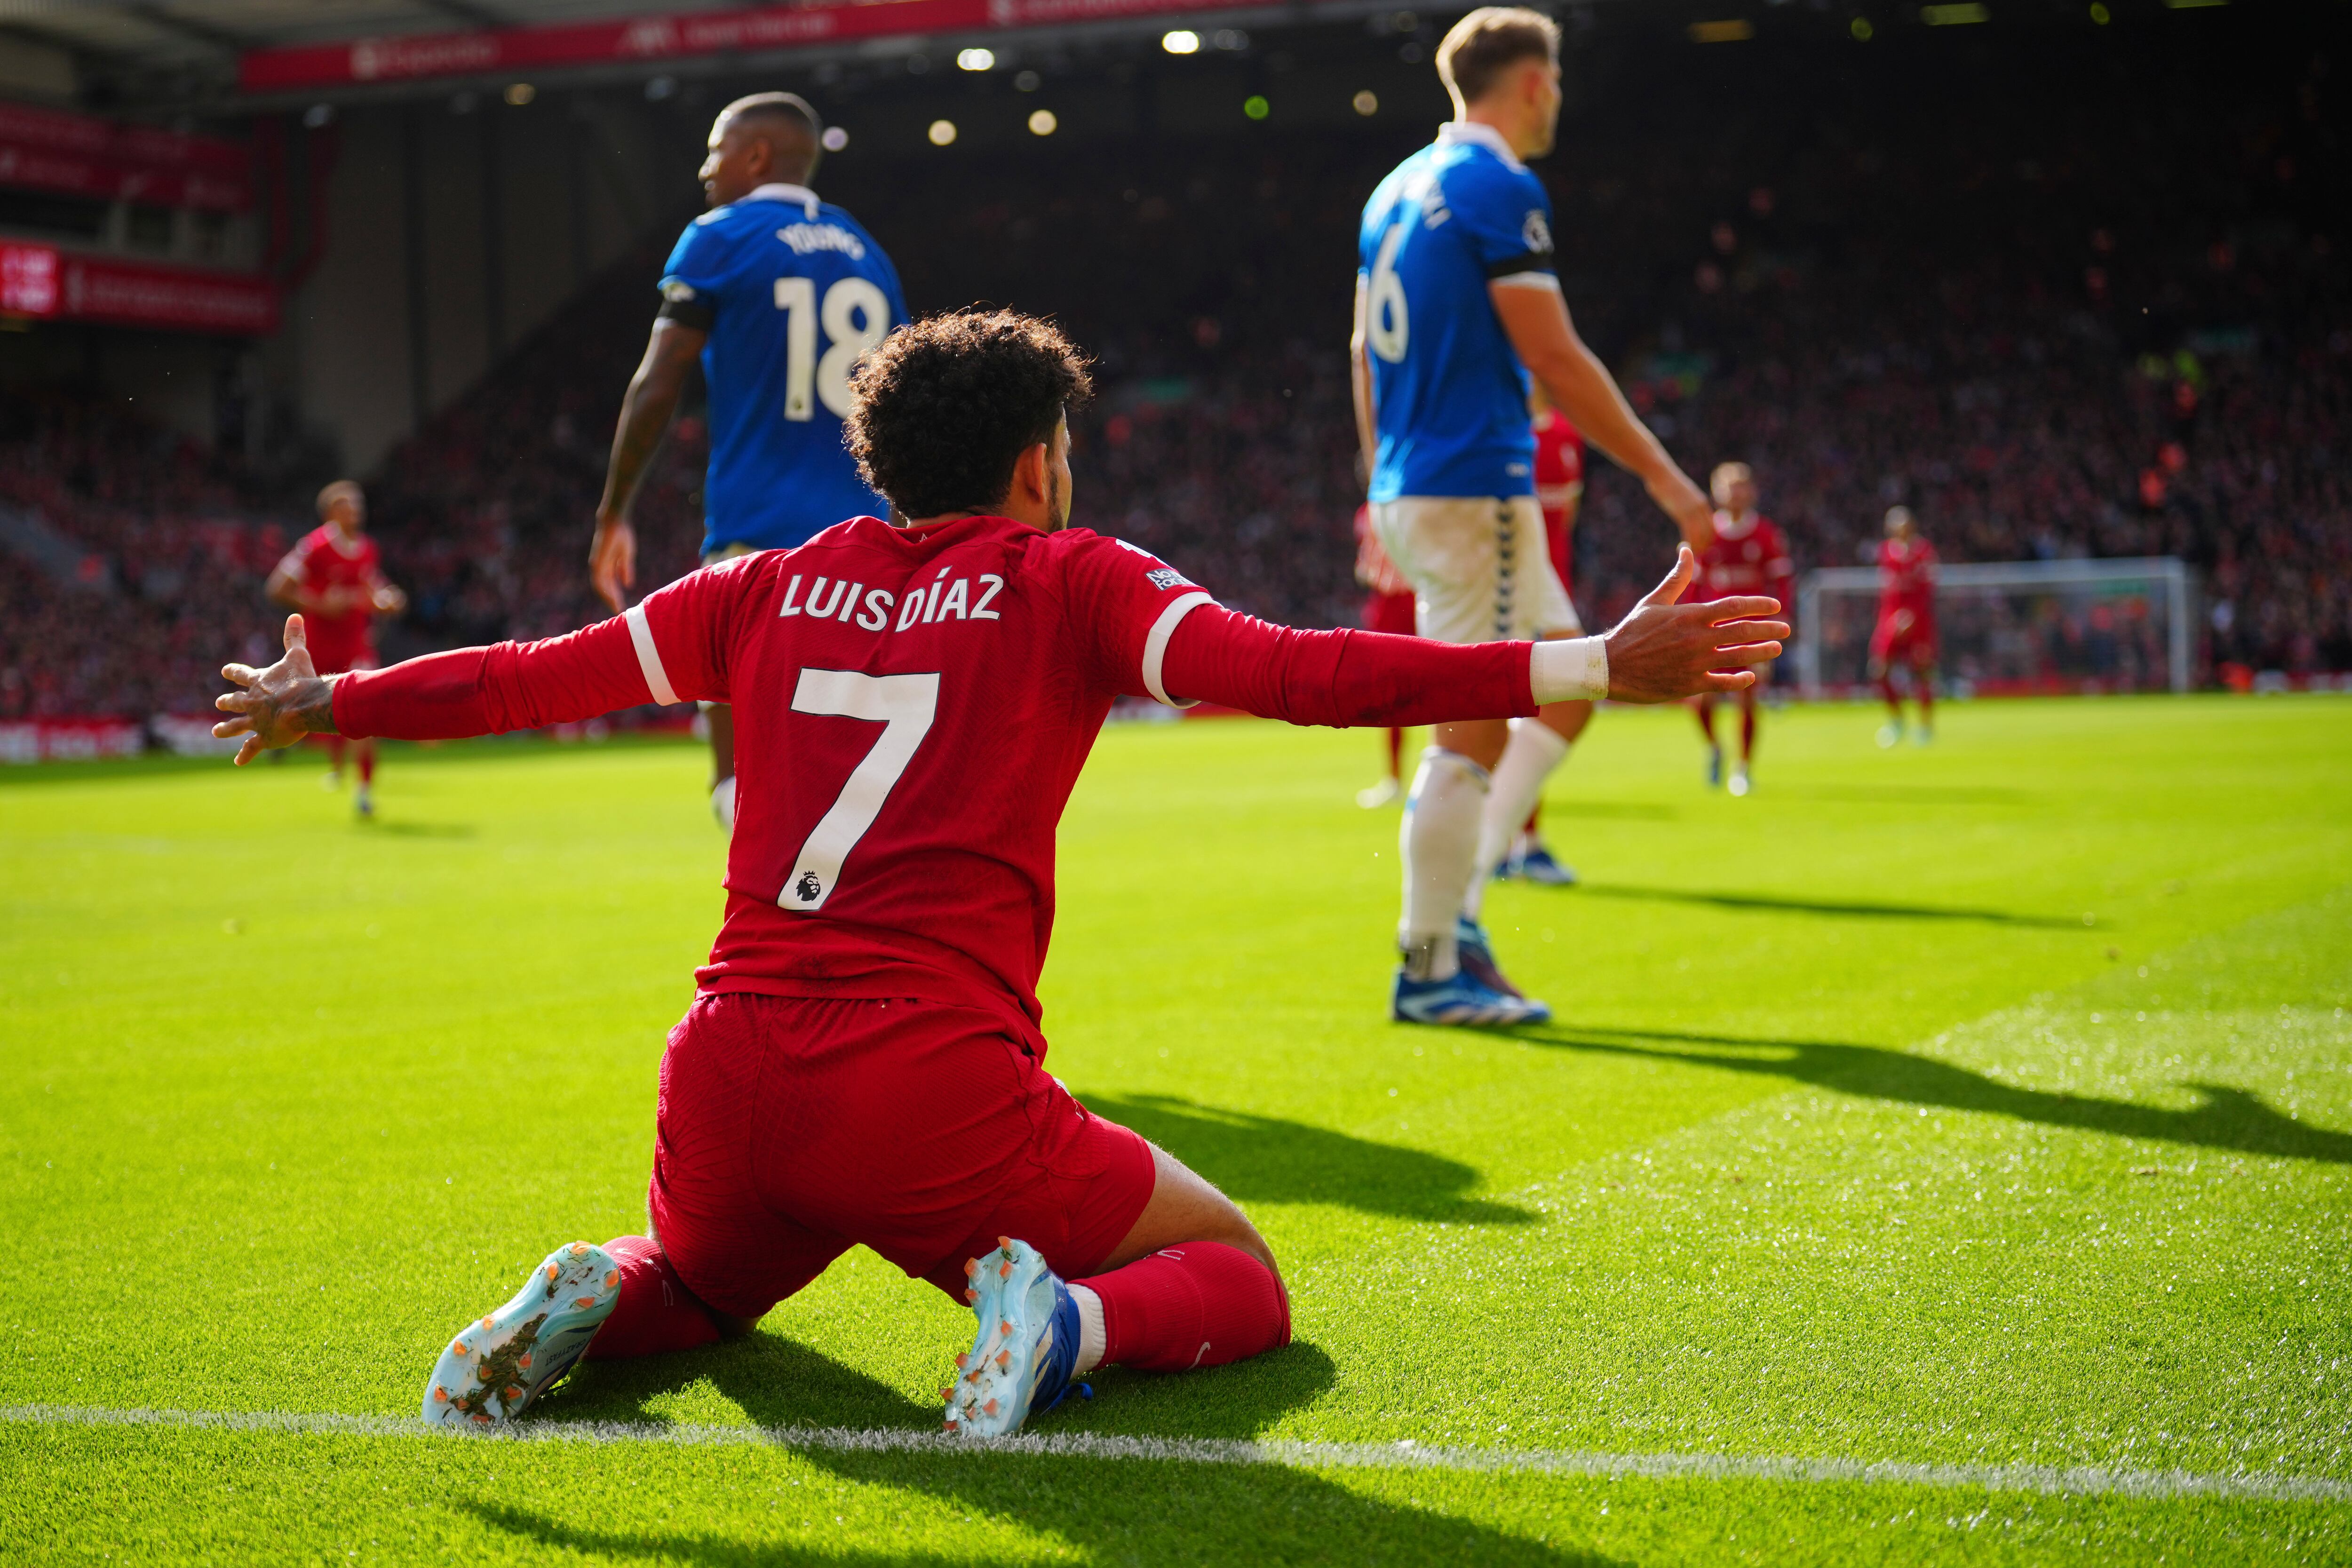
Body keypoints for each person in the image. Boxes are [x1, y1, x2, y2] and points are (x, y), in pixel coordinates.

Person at [215, 310, 1785, 1438]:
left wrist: (322, 701)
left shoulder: (753, 587)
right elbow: (1297, 668)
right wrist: (1590, 656)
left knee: (696, 1288)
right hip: (928, 1095)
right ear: (1039, 464)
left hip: (728, 1074)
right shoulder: (1070, 580)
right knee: (1238, 1271)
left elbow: (518, 679)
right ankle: (1062, 1325)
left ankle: (588, 1292)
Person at [1352, 5, 1716, 1026]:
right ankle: (1430, 963)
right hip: (1475, 487)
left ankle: (1460, 909)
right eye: (1552, 79)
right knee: (1468, 727)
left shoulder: (1394, 190)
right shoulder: (1496, 184)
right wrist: (1662, 476)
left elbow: (1356, 353)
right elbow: (1554, 355)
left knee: (1571, 673)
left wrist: (1374, 481)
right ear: (1530, 84)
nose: (1556, 96)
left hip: (1419, 482)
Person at [586, 91, 907, 831]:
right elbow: (903, 395)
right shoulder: (868, 250)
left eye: (717, 150)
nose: (705, 169)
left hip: (758, 529)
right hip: (866, 540)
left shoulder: (719, 235)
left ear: (757, 156)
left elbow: (659, 379)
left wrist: (614, 512)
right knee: (841, 757)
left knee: (742, 769)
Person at [1488, 388, 1587, 885]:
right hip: (1501, 591)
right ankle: (1509, 845)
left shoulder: (1567, 435)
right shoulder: (1496, 429)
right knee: (1507, 711)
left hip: (1551, 591)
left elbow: (1564, 519)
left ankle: (1517, 844)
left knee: (1548, 707)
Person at [263, 480, 405, 818]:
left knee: (366, 710)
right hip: (320, 645)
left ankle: (365, 790)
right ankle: (297, 742)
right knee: (327, 713)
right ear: (330, 512)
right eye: (347, 506)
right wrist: (319, 604)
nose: (355, 511)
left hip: (357, 643)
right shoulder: (314, 547)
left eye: (358, 505)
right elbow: (277, 587)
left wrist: (388, 599)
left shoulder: (368, 548)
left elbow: (372, 585)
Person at [1690, 463, 1794, 796]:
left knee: (1747, 699)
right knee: (1699, 700)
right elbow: (1693, 585)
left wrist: (1780, 623)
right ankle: (1715, 749)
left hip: (1752, 629)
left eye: (1741, 486)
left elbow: (1782, 583)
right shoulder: (1705, 532)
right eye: (1728, 486)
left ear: (1751, 492)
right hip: (1713, 629)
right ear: (1717, 491)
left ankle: (1744, 767)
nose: (1735, 493)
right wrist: (1689, 622)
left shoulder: (1766, 534)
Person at [1352, 501, 1416, 808]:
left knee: (1389, 693)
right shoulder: (1413, 503)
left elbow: (1366, 569)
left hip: (1393, 603)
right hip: (1421, 598)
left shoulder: (1369, 512)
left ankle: (1394, 780)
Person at [1872, 505, 1939, 746]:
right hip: (1890, 618)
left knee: (1922, 671)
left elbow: (1926, 591)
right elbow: (1888, 591)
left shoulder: (1923, 552)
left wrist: (1911, 616)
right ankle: (1897, 721)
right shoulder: (1886, 552)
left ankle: (1925, 727)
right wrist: (1891, 619)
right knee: (1879, 669)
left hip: (1919, 620)